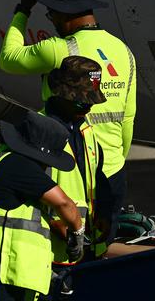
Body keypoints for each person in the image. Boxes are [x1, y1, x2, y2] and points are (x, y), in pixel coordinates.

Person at [0, 0, 136, 242]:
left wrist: (23, 10)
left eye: (51, 15)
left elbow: (8, 58)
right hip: (111, 170)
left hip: (68, 168)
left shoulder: (59, 49)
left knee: (64, 247)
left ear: (63, 14)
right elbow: (128, 121)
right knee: (100, 248)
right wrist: (114, 162)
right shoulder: (123, 50)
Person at [0, 111, 85, 301]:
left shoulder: (2, 158)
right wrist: (78, 233)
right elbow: (65, 204)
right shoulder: (18, 165)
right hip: (5, 274)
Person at [41, 55, 112, 265]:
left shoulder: (85, 130)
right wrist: (62, 224)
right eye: (82, 103)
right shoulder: (41, 132)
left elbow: (96, 175)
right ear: (62, 95)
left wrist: (104, 212)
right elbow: (35, 185)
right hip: (54, 245)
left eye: (92, 102)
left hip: (81, 238)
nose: (88, 108)